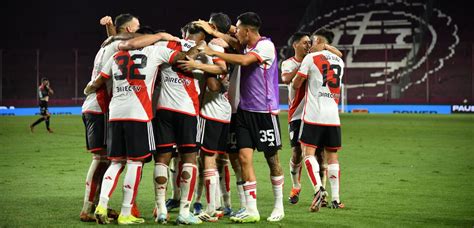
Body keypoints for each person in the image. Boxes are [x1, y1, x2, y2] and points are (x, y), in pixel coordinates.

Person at [84, 29, 182, 225]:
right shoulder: (154, 52)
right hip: (139, 115)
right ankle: (126, 212)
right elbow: (182, 58)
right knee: (135, 163)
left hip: (115, 115)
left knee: (115, 162)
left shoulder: (116, 56)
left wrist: (88, 88)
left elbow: (98, 81)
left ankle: (102, 205)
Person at [201, 12, 284, 223]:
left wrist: (212, 51)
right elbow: (237, 44)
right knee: (244, 159)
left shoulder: (265, 46)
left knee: (272, 160)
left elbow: (245, 60)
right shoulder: (246, 45)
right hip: (244, 112)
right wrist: (215, 31)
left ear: (247, 31)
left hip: (264, 112)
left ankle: (278, 205)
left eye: (238, 30)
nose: (235, 33)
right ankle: (252, 210)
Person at [79, 13, 142, 222]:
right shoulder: (118, 46)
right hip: (99, 107)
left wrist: (109, 27)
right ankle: (87, 208)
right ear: (129, 30)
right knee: (101, 159)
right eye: (136, 27)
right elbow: (125, 40)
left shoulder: (107, 44)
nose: (139, 31)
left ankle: (98, 205)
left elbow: (114, 37)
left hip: (97, 107)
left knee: (106, 159)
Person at [282, 32, 343, 206]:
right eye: (304, 43)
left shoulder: (317, 59)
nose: (308, 45)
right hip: (297, 115)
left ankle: (321, 193)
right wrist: (305, 63)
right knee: (297, 154)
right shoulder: (289, 63)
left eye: (310, 42)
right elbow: (286, 79)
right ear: (295, 45)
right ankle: (296, 186)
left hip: (314, 114)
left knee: (321, 156)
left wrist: (320, 52)